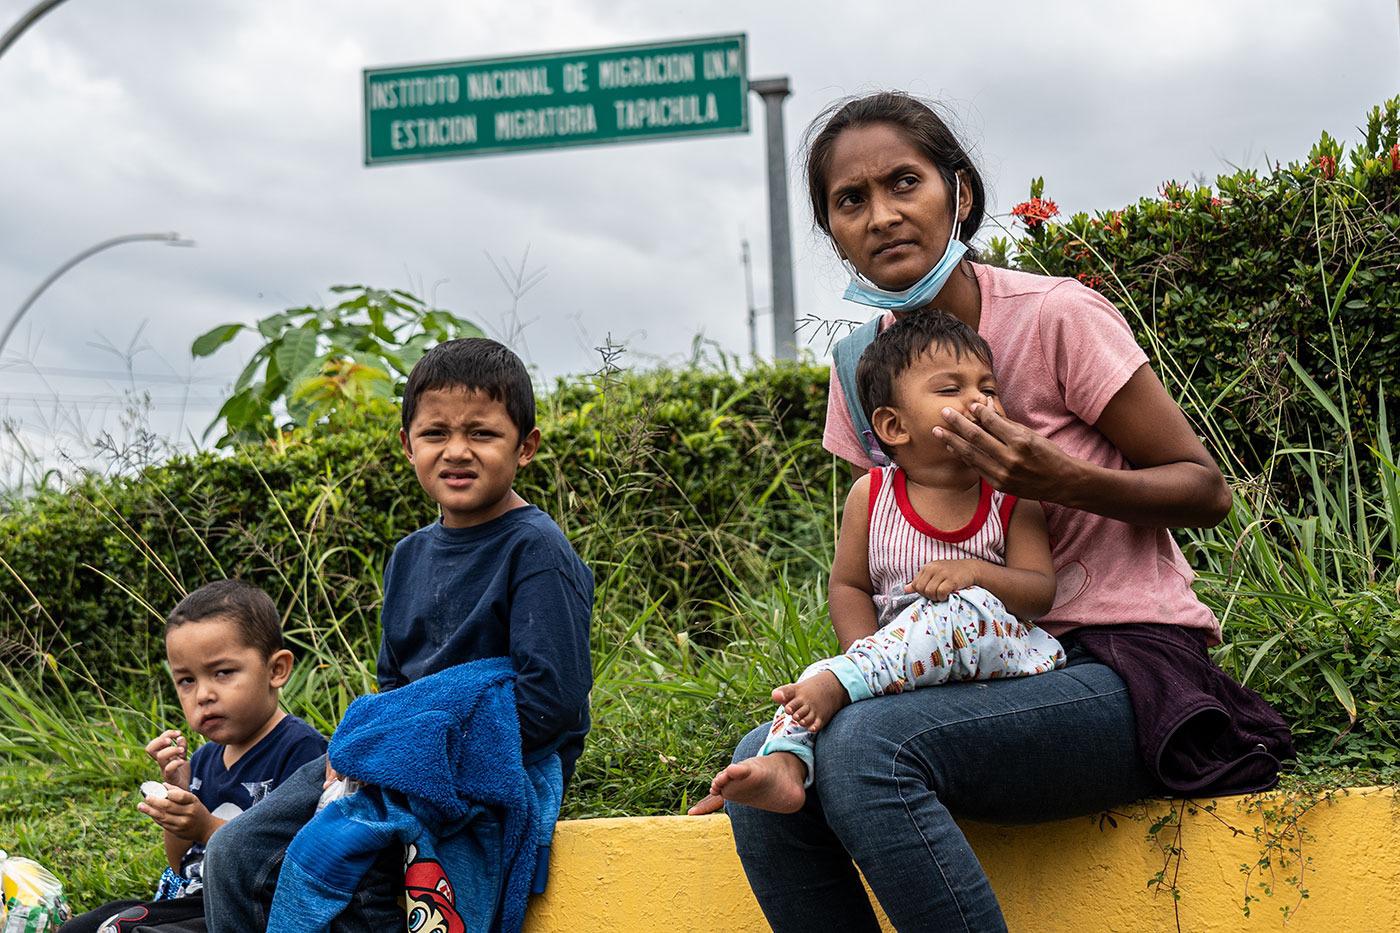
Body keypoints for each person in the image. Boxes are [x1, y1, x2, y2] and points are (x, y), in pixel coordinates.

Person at [689, 91, 1291, 933]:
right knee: (764, 759)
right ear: (832, 230)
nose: (884, 215)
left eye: (906, 182)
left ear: (959, 193)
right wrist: (870, 668)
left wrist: (1059, 475)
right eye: (850, 200)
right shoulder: (863, 371)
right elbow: (873, 557)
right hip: (960, 670)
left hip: (1117, 664)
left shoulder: (1056, 318)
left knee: (870, 750)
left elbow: (1204, 488)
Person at [199, 337, 593, 933]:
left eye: (482, 433)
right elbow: (393, 685)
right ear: (408, 445)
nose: (457, 451)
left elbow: (552, 703)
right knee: (235, 854)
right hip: (395, 755)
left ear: (526, 446)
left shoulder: (535, 549)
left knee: (368, 876)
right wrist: (372, 751)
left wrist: (405, 759)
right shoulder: (408, 556)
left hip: (484, 765)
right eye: (436, 433)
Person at [725, 311, 1065, 815]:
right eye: (950, 390)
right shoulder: (873, 494)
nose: (979, 400)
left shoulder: (1010, 494)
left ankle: (850, 680)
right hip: (898, 666)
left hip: (997, 658)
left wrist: (973, 574)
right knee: (821, 678)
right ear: (893, 425)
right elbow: (849, 587)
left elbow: (1039, 591)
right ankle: (786, 761)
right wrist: (863, 653)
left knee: (948, 612)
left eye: (988, 389)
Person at [60, 580, 327, 933]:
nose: (203, 695)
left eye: (223, 673)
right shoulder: (203, 760)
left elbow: (295, 863)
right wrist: (178, 799)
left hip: (249, 908)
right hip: (191, 898)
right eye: (186, 680)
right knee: (83, 927)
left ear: (276, 670)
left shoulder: (302, 751)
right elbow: (179, 863)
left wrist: (205, 826)